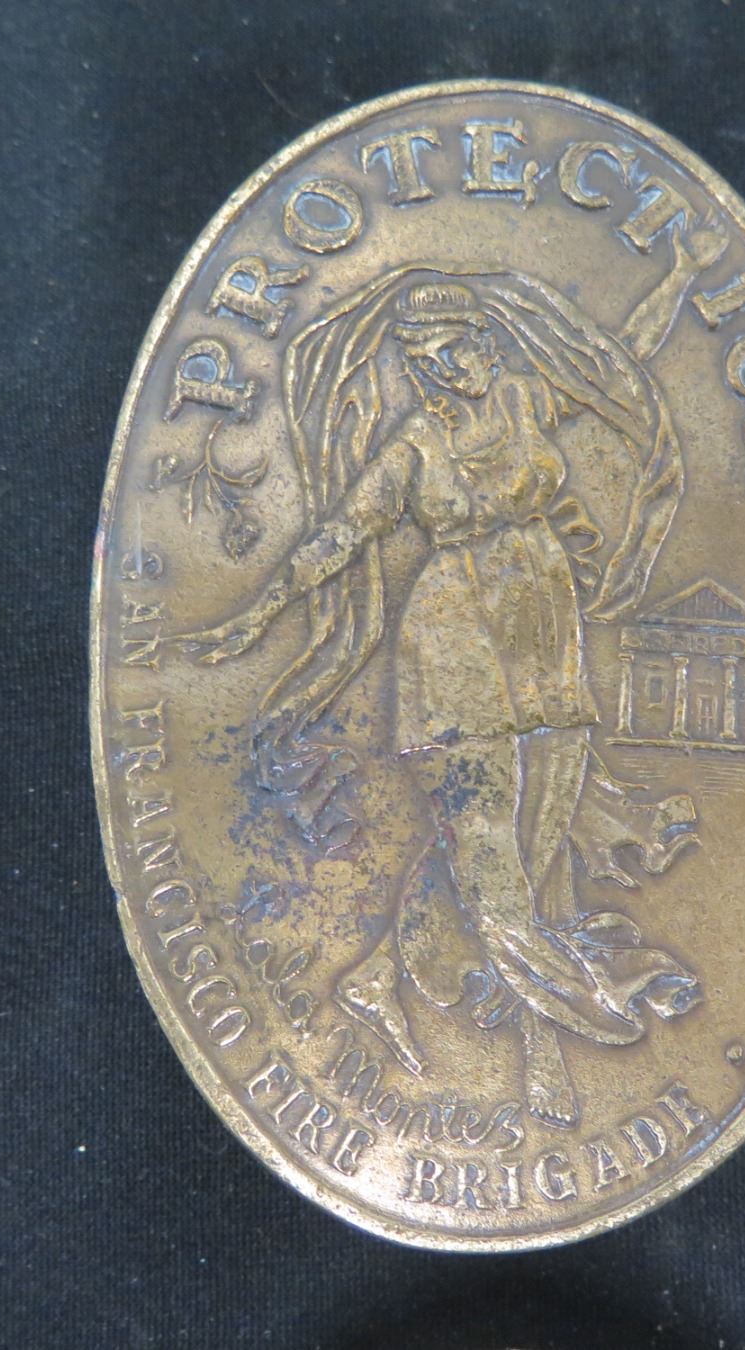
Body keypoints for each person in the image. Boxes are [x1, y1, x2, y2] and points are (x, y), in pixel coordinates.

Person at [179, 267, 700, 1128]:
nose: (452, 363)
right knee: (492, 860)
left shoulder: (527, 401)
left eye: (462, 345)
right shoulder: (413, 448)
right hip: (453, 643)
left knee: (539, 849)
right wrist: (255, 616)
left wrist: (676, 279)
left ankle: (391, 983)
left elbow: (615, 359)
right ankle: (598, 1008)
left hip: (544, 627)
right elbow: (341, 534)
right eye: (432, 354)